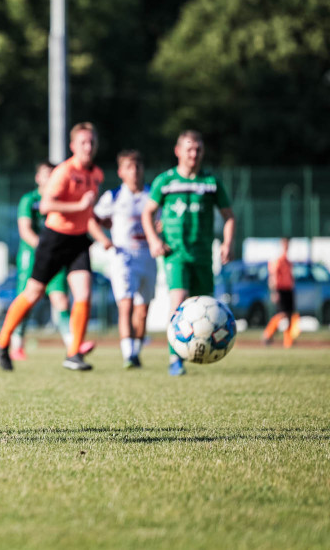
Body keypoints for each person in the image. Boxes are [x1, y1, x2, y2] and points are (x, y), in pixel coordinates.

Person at [0, 122, 111, 372]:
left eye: (92, 142)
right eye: (83, 142)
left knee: (84, 293)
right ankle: (2, 342)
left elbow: (86, 210)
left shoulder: (96, 174)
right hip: (54, 239)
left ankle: (74, 353)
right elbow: (46, 206)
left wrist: (98, 219)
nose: (88, 147)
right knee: (33, 294)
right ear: (73, 146)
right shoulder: (65, 172)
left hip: (78, 240)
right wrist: (79, 207)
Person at [142, 130, 235, 377]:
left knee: (205, 308)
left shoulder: (211, 182)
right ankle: (175, 358)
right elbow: (147, 213)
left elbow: (228, 216)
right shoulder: (166, 181)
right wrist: (153, 240)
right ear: (178, 151)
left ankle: (200, 351)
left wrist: (227, 243)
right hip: (175, 253)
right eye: (189, 148)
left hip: (203, 255)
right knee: (178, 301)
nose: (193, 154)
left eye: (198, 149)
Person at [10, 161, 93, 361]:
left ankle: (73, 345)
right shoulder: (30, 200)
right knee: (28, 299)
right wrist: (44, 248)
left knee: (61, 299)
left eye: (53, 173)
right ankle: (15, 344)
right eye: (46, 174)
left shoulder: (61, 199)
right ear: (38, 178)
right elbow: (25, 230)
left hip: (55, 255)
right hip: (33, 257)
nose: (49, 177)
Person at [93, 150, 156, 368]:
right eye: (129, 167)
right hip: (124, 257)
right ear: (121, 172)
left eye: (138, 166)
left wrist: (161, 230)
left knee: (142, 310)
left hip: (148, 256)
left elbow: (163, 218)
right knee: (126, 305)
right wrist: (104, 240)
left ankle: (136, 352)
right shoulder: (115, 195)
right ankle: (128, 354)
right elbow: (93, 219)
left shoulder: (152, 194)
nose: (135, 171)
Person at [263, 237, 300, 347]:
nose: (287, 246)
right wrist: (274, 292)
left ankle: (288, 341)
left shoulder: (288, 262)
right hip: (280, 289)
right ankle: (268, 333)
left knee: (290, 316)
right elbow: (273, 277)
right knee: (282, 315)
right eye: (285, 244)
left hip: (289, 290)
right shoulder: (278, 261)